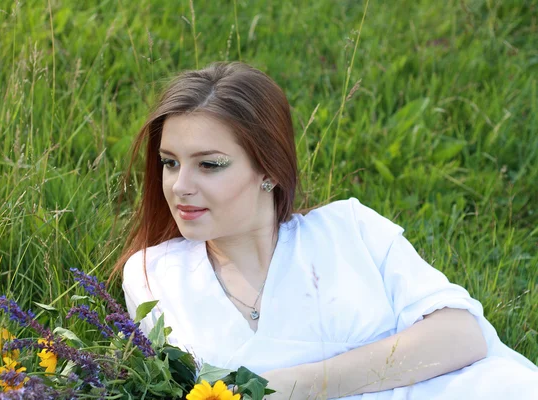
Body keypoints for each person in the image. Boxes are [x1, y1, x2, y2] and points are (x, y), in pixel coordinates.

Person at [116, 62, 538, 399]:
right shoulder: (155, 274)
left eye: (209, 164)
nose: (179, 185)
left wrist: (301, 385)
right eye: (169, 161)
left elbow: (462, 336)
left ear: (268, 169)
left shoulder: (348, 228)